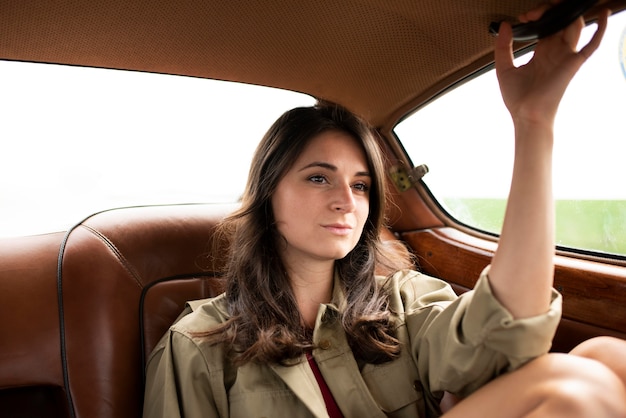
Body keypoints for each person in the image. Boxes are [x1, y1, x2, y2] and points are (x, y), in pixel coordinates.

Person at [143, 5, 626, 418]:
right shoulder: (198, 346)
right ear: (268, 192)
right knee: (577, 389)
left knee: (609, 356)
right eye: (318, 177)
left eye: (361, 185)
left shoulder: (400, 302)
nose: (345, 201)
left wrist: (533, 120)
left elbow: (508, 327)